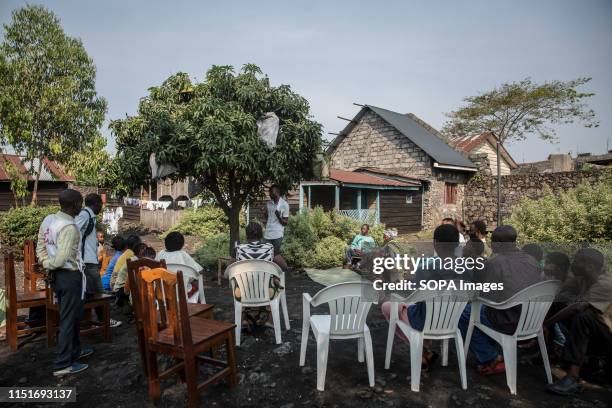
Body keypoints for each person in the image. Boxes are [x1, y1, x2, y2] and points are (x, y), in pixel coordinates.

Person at [458, 225, 541, 375]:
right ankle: (495, 353)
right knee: (480, 311)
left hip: (507, 321)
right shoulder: (531, 260)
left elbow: (486, 298)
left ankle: (490, 357)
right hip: (532, 320)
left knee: (463, 313)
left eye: (493, 241)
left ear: (498, 244)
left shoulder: (496, 263)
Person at [381, 224, 464, 369]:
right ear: (457, 244)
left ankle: (422, 351)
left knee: (387, 306)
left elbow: (415, 297)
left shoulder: (425, 268)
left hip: (424, 321)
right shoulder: (467, 268)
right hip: (453, 319)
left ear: (435, 243)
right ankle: (425, 351)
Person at [36, 189, 91, 376]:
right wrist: (51, 264)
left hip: (57, 277)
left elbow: (41, 247)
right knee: (68, 319)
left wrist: (45, 264)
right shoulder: (70, 228)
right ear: (74, 205)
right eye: (80, 203)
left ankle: (75, 351)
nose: (81, 207)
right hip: (69, 276)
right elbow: (61, 259)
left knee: (73, 316)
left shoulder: (49, 220)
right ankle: (62, 364)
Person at [547, 248, 612, 395]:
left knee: (583, 316)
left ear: (589, 266)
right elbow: (560, 295)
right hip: (599, 328)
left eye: (577, 261)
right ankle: (545, 351)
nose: (573, 264)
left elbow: (576, 308)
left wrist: (545, 323)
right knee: (558, 304)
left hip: (607, 334)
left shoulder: (605, 283)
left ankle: (573, 378)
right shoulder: (583, 279)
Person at [75, 194, 121, 328]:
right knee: (100, 293)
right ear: (95, 204)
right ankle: (104, 321)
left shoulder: (90, 217)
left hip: (89, 260)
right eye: (100, 204)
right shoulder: (85, 216)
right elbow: (73, 232)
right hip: (87, 262)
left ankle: (97, 320)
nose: (102, 206)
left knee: (93, 293)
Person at [156, 232, 203, 299]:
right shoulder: (183, 254)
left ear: (165, 243)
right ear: (182, 244)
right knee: (194, 286)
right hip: (181, 294)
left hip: (162, 293)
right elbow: (199, 270)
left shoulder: (160, 254)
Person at [262, 184, 289, 256]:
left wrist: (279, 217)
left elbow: (285, 223)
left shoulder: (284, 204)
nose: (269, 194)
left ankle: (281, 267)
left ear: (277, 192)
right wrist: (264, 213)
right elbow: (267, 219)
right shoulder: (268, 203)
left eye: (271, 192)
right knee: (266, 255)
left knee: (275, 255)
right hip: (267, 234)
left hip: (277, 235)